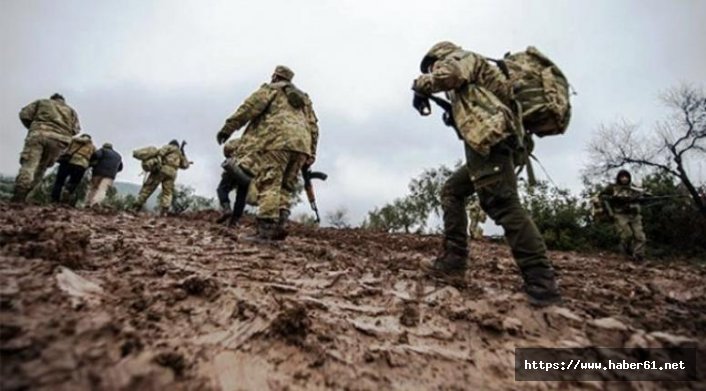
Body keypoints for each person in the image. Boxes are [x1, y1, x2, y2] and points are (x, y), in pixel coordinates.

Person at [412, 41, 561, 306]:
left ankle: (541, 281)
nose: (434, 69)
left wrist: (421, 84)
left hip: (492, 141)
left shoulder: (459, 57)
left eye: (431, 65)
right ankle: (453, 260)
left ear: (439, 56)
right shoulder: (472, 78)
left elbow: (449, 75)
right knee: (452, 191)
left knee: (502, 204)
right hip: (489, 144)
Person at [217, 65, 319, 240]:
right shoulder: (304, 100)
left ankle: (265, 231)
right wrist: (311, 153)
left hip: (276, 142)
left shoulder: (271, 90)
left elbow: (248, 109)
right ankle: (280, 224)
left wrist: (227, 129)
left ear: (275, 76)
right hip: (302, 146)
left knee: (270, 183)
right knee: (286, 186)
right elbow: (314, 127)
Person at [13, 93, 81, 202]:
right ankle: (28, 196)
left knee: (29, 165)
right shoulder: (71, 111)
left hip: (39, 134)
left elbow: (24, 114)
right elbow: (76, 130)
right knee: (42, 167)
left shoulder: (42, 102)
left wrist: (32, 127)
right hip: (59, 141)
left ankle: (20, 193)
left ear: (52, 98)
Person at [599, 169, 648, 262]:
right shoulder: (612, 188)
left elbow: (644, 197)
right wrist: (614, 199)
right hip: (620, 214)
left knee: (640, 237)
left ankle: (638, 256)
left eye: (626, 177)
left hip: (634, 214)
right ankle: (626, 252)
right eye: (622, 177)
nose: (624, 179)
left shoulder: (634, 188)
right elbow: (602, 197)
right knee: (626, 235)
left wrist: (641, 198)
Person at [132, 140, 191, 215]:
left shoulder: (169, 147)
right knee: (167, 192)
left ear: (171, 144)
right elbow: (185, 165)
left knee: (148, 188)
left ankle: (136, 207)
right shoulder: (179, 154)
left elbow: (160, 153)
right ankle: (164, 212)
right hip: (172, 173)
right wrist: (182, 151)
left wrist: (157, 162)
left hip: (162, 169)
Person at [215, 137, 259, 224]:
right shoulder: (259, 144)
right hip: (251, 172)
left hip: (238, 166)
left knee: (222, 189)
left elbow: (228, 148)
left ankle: (226, 209)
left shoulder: (240, 141)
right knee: (241, 196)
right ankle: (235, 220)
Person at [51, 133, 95, 205]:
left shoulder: (73, 140)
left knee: (59, 181)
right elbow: (94, 158)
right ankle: (67, 195)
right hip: (81, 165)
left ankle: (54, 199)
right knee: (74, 182)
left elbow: (63, 148)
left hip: (67, 162)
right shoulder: (92, 147)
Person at [86, 142, 123, 207]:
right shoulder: (118, 156)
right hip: (110, 175)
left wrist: (90, 163)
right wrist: (113, 171)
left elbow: (96, 155)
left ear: (104, 146)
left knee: (93, 187)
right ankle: (96, 202)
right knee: (103, 189)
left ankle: (88, 203)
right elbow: (120, 167)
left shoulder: (102, 150)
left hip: (98, 172)